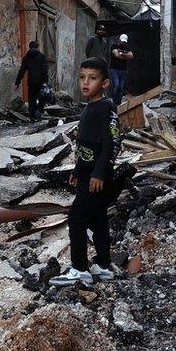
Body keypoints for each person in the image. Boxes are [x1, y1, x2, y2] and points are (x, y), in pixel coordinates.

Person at [50, 57, 123, 286]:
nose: (85, 83)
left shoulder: (106, 107)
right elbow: (87, 144)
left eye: (92, 78)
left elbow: (112, 142)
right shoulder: (90, 107)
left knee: (77, 218)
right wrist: (77, 169)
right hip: (87, 173)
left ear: (105, 83)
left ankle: (79, 268)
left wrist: (99, 173)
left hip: (97, 177)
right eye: (82, 77)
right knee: (98, 219)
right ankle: (103, 265)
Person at [15, 41, 49, 121]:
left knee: (31, 99)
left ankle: (32, 116)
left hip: (31, 82)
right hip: (41, 81)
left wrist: (17, 82)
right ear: (37, 47)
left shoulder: (26, 58)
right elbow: (45, 70)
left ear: (29, 47)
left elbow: (22, 71)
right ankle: (39, 113)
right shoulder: (42, 57)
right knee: (42, 97)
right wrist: (46, 82)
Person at [109, 33, 134, 106]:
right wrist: (125, 54)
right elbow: (116, 55)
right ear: (119, 40)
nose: (123, 43)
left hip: (123, 70)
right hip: (114, 69)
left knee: (121, 87)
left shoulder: (127, 47)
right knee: (116, 85)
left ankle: (118, 103)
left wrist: (121, 54)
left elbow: (131, 56)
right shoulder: (114, 46)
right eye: (122, 41)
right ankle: (114, 103)